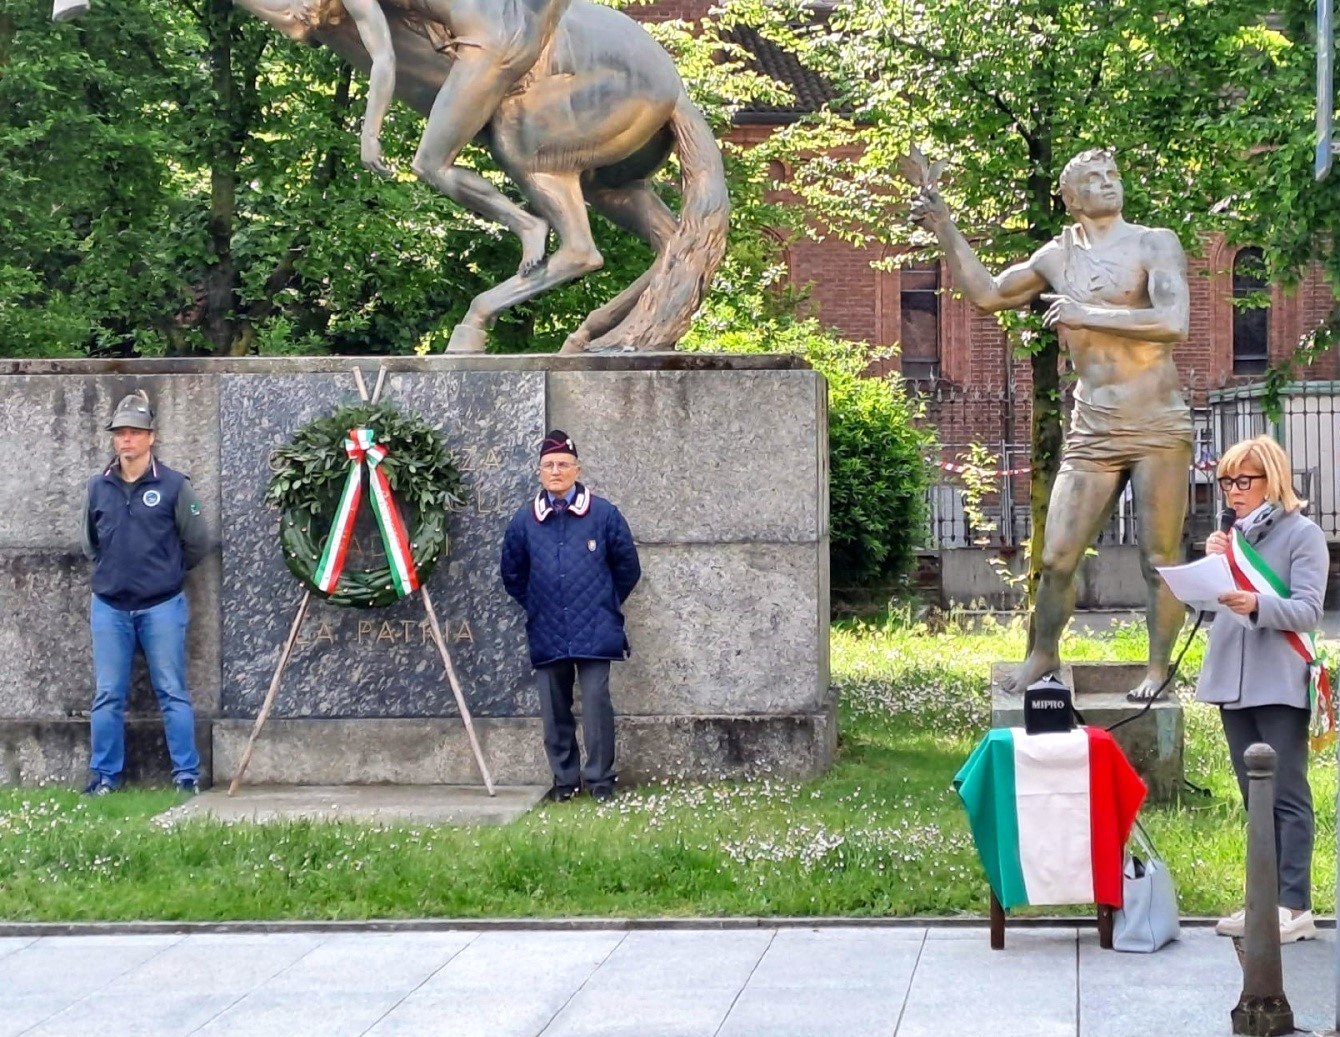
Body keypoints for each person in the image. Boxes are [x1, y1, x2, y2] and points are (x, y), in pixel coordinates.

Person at [912, 149, 1192, 700]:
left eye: (1113, 175)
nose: (1109, 183)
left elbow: (1173, 321)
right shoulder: (1056, 256)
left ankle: (1159, 670)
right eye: (1094, 178)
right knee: (1056, 556)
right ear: (1071, 197)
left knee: (1159, 558)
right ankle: (1043, 654)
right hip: (1094, 425)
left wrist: (1081, 312)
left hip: (1158, 422)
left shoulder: (1153, 242)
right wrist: (945, 227)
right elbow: (989, 294)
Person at [1198, 436, 1328, 943]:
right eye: (1227, 481)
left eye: (1243, 481)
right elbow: (1211, 607)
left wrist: (1254, 604)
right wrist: (1209, 570)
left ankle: (1294, 904)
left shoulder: (1303, 534)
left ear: (1271, 478)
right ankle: (1262, 902)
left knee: (1287, 795)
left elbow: (1308, 611)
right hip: (1233, 679)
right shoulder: (1231, 537)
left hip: (1278, 680)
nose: (1233, 491)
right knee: (1255, 798)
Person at [500, 430, 641, 802]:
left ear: (577, 469)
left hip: (596, 627)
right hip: (547, 627)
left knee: (596, 703)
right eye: (549, 465)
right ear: (539, 472)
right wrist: (538, 603)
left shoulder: (605, 514)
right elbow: (512, 574)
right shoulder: (523, 521)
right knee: (554, 709)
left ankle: (599, 780)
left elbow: (627, 568)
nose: (556, 471)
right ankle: (565, 782)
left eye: (563, 464)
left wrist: (604, 602)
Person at [81, 391, 208, 795]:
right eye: (121, 433)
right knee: (107, 696)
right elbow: (90, 544)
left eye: (135, 433)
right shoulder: (97, 487)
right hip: (110, 607)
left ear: (151, 437)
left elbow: (197, 543)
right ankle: (104, 777)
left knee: (172, 692)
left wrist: (164, 573)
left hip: (162, 606)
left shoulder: (173, 486)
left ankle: (186, 776)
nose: (127, 441)